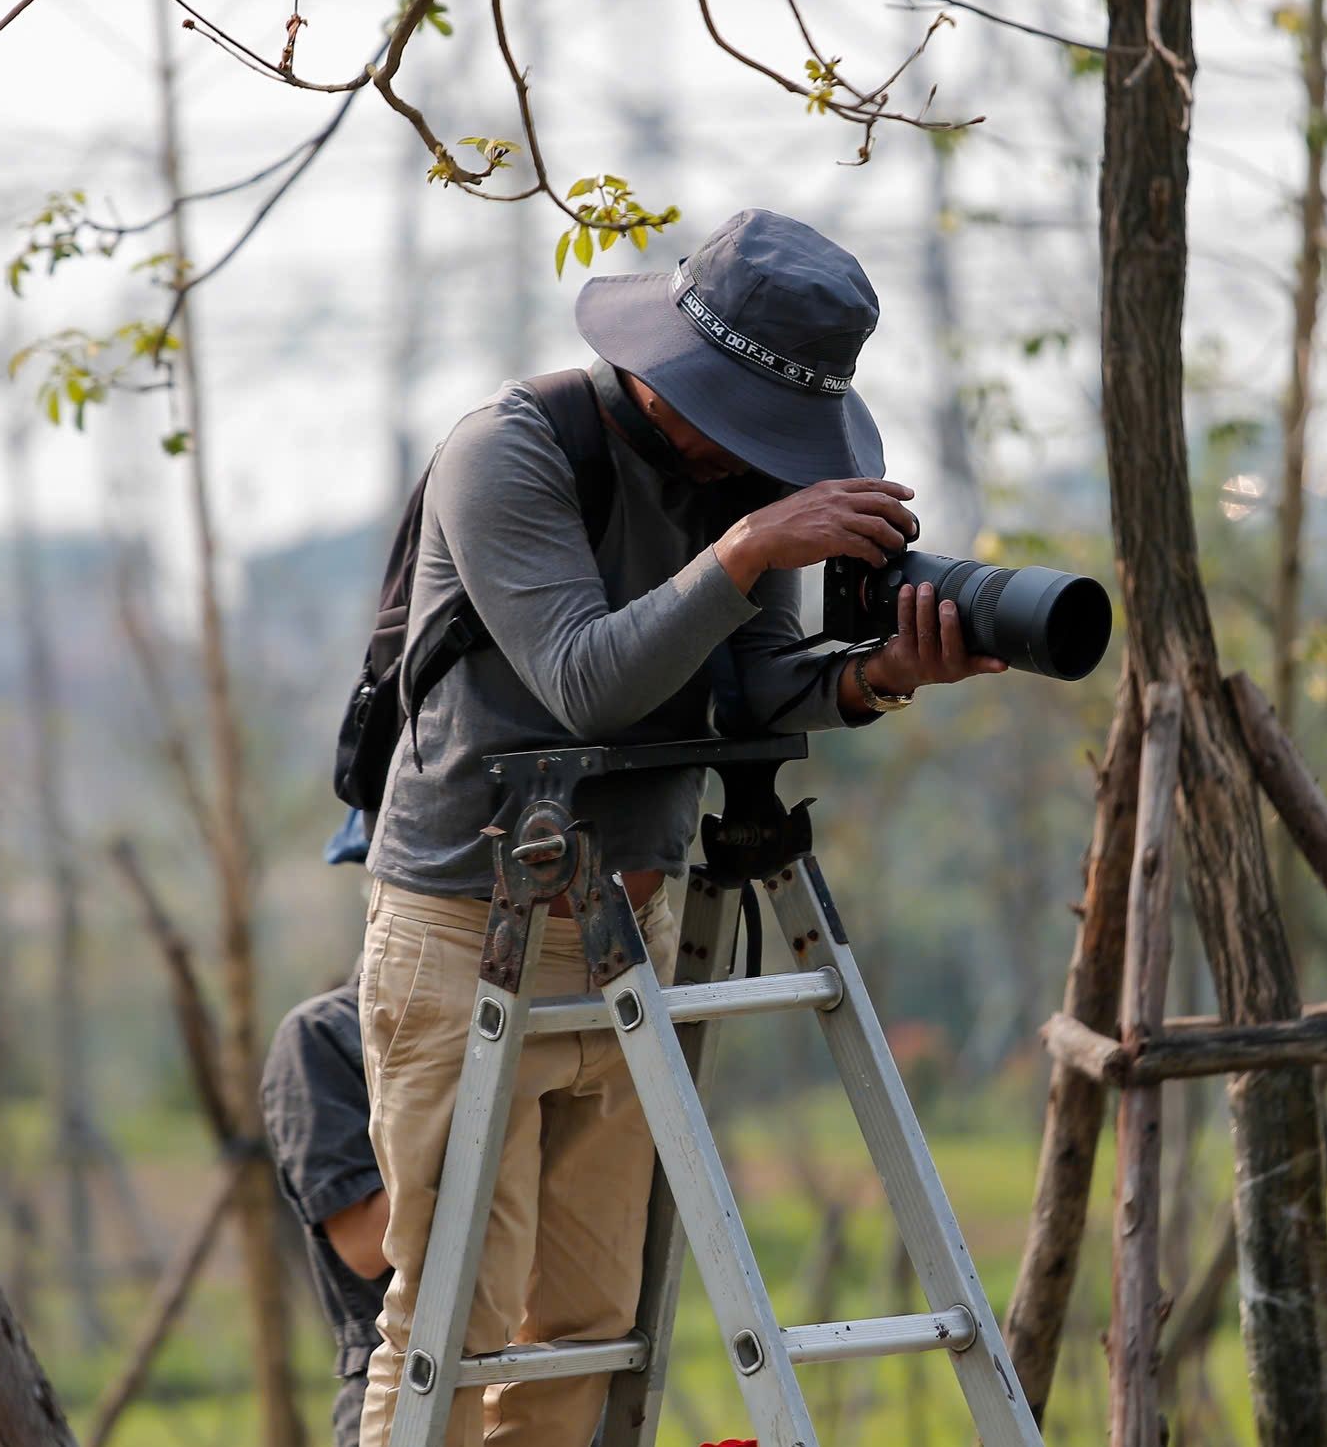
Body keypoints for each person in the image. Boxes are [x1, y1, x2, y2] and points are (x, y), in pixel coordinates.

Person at [356, 207, 1008, 1447]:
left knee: (586, 1322)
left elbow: (743, 687)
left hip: (629, 925)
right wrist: (751, 547)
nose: (766, 459)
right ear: (670, 374)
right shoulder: (508, 451)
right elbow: (586, 681)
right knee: (453, 1318)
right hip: (464, 926)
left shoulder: (741, 482)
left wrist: (881, 675)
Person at [263, 982, 393, 1446]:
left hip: (565, 1379)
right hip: (410, 1384)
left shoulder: (571, 1012)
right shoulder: (325, 1034)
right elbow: (366, 1244)